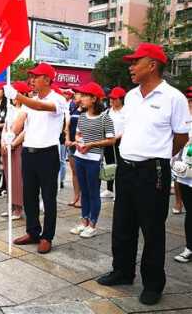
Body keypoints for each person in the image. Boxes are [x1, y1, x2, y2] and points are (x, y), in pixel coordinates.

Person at [97, 43, 189, 306]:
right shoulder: (132, 96)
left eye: (135, 61)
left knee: (152, 228)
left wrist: (157, 155)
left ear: (152, 65)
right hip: (127, 167)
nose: (131, 66)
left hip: (154, 170)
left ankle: (153, 283)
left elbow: (181, 137)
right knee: (122, 223)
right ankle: (122, 271)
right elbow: (130, 130)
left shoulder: (173, 98)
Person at [5, 63, 68, 254]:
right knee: (29, 196)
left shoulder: (59, 100)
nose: (31, 80)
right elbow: (21, 120)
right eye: (31, 77)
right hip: (29, 153)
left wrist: (17, 95)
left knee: (48, 198)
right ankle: (33, 232)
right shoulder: (28, 101)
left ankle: (47, 237)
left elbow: (41, 106)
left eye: (36, 76)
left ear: (47, 80)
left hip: (47, 154)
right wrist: (11, 134)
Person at [69, 82, 115, 239]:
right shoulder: (82, 116)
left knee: (93, 193)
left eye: (84, 96)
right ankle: (83, 222)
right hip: (80, 157)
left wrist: (91, 145)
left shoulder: (105, 118)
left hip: (94, 160)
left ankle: (93, 225)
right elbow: (78, 134)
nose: (80, 98)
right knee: (84, 191)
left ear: (94, 98)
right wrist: (78, 142)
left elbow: (111, 140)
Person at [1, 81, 31, 219]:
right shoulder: (10, 108)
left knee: (18, 177)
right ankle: (11, 205)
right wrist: (3, 141)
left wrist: (13, 144)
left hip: (18, 146)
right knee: (8, 176)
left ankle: (19, 208)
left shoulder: (26, 109)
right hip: (6, 145)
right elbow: (5, 126)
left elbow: (25, 131)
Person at [172, 86, 192, 264]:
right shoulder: (184, 121)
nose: (190, 104)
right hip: (186, 173)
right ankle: (189, 247)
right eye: (189, 101)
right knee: (190, 212)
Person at [101, 87, 126, 199]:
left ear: (121, 99)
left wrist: (118, 137)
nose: (111, 100)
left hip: (120, 142)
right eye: (111, 98)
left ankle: (120, 191)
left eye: (114, 99)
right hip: (108, 141)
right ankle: (109, 189)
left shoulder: (126, 112)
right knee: (110, 165)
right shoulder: (107, 111)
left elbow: (128, 128)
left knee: (120, 167)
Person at [65, 92, 82, 207]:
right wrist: (67, 139)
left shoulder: (87, 111)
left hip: (81, 146)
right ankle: (76, 196)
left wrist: (77, 142)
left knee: (81, 172)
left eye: (79, 94)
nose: (75, 95)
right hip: (71, 144)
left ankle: (82, 197)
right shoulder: (74, 109)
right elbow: (67, 125)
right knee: (74, 172)